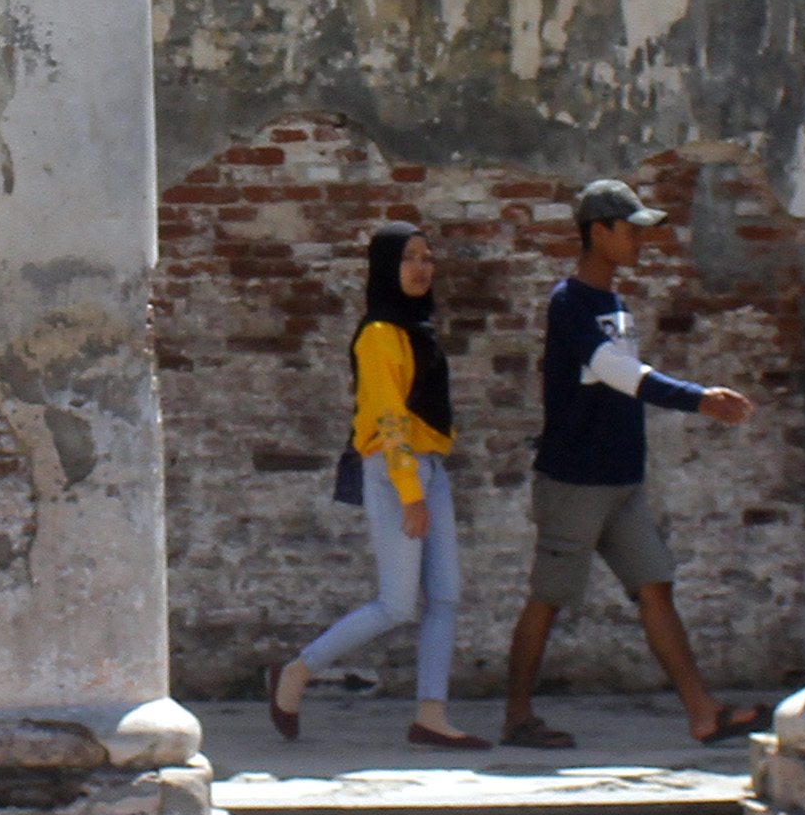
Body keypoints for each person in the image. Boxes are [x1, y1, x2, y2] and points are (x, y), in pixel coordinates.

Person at [499, 178, 760, 750]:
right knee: (548, 598)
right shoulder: (568, 302)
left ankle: (702, 712)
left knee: (655, 586)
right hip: (574, 481)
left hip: (620, 481)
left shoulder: (616, 305)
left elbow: (622, 381)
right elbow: (619, 374)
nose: (642, 241)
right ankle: (517, 716)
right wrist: (698, 398)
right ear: (600, 232)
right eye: (631, 229)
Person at [271, 225, 482, 749]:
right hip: (395, 471)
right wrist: (410, 491)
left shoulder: (418, 328)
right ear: (386, 267)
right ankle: (296, 672)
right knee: (397, 604)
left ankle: (431, 715)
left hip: (429, 466)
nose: (420, 268)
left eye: (428, 259)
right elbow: (388, 418)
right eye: (409, 258)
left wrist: (426, 476)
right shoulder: (379, 333)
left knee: (446, 595)